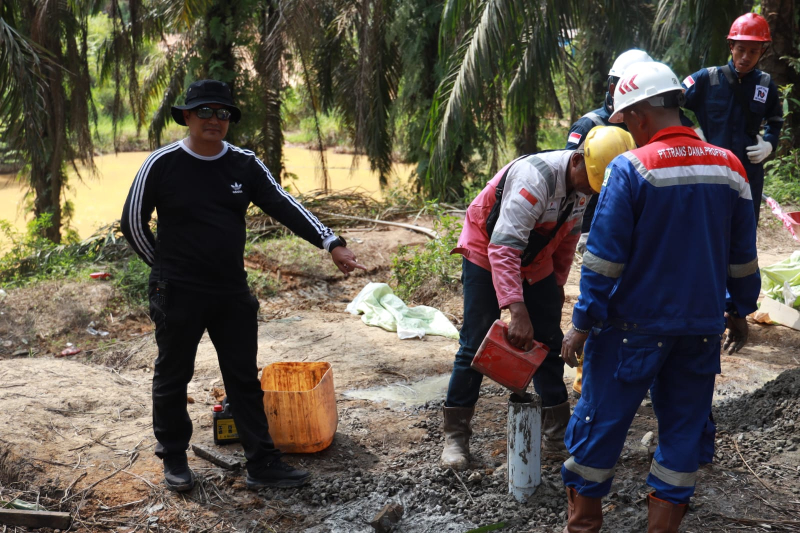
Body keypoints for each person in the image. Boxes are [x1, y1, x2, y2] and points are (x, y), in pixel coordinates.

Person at [120, 79, 365, 492]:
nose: (214, 120)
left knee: (243, 378)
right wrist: (163, 268)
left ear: (229, 120)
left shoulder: (244, 164)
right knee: (172, 374)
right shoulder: (161, 164)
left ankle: (262, 463)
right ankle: (175, 459)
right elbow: (131, 222)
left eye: (223, 113)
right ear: (186, 116)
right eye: (205, 112)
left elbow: (284, 205)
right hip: (177, 291)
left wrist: (331, 243)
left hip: (230, 291)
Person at [559, 62, 760, 532]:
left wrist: (582, 324)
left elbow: (603, 262)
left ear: (642, 114)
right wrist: (738, 308)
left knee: (599, 428)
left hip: (632, 329)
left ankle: (583, 525)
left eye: (627, 119)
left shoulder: (631, 168)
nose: (627, 129)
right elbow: (742, 257)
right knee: (682, 434)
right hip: (701, 331)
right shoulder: (730, 166)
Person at [440, 126, 636, 471]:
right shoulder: (535, 179)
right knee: (475, 342)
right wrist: (517, 310)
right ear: (578, 160)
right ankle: (456, 437)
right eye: (590, 180)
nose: (591, 190)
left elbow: (566, 240)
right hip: (488, 249)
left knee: (549, 341)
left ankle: (557, 438)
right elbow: (503, 248)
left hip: (537, 254)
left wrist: (556, 287)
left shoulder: (585, 184)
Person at [565, 48, 653, 399]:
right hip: (593, 229)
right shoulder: (590, 126)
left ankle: (628, 374)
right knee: (597, 301)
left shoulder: (643, 127)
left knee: (630, 303)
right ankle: (587, 380)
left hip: (633, 229)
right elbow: (573, 178)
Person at [682, 12, 783, 225]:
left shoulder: (765, 85)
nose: (746, 57)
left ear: (762, 51)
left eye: (753, 51)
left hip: (749, 171)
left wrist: (769, 145)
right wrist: (691, 130)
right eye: (741, 49)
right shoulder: (706, 79)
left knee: (745, 226)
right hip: (710, 169)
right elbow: (669, 103)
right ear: (731, 47)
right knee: (709, 225)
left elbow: (775, 120)